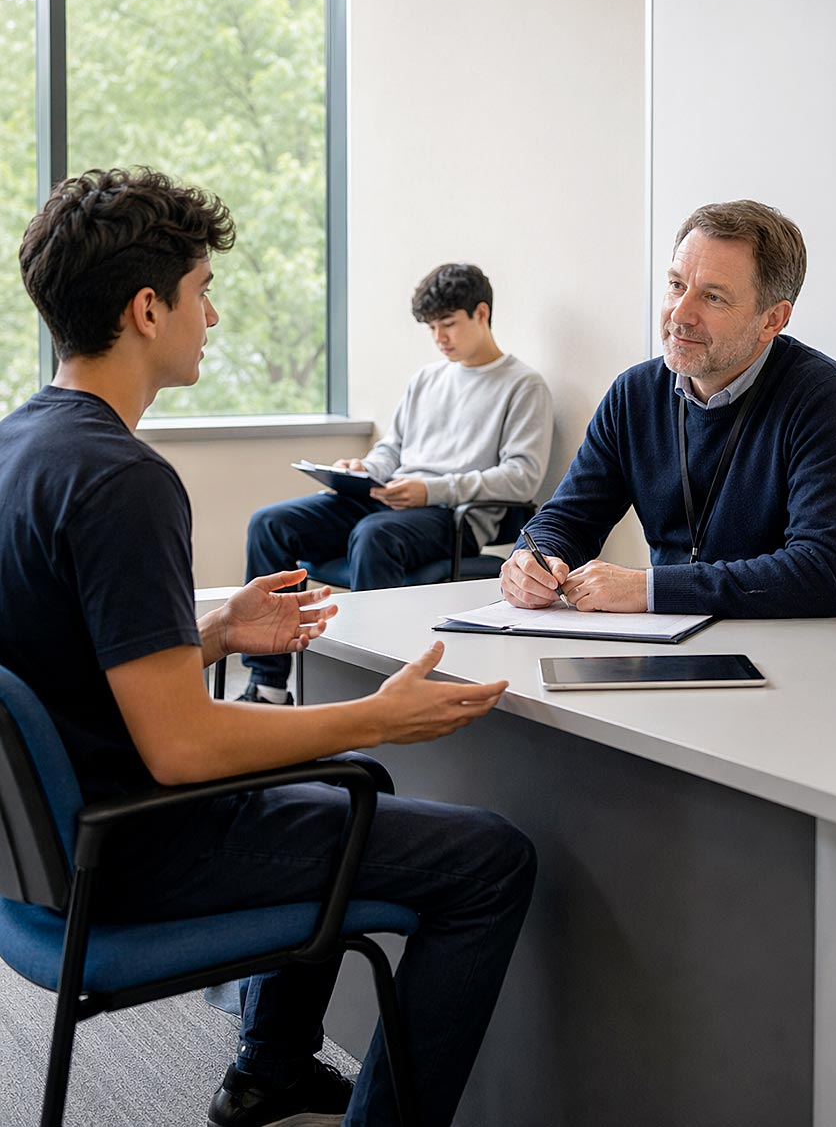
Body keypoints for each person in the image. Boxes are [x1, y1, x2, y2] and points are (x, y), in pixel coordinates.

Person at [0, 168, 536, 1127]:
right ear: (147, 309)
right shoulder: (123, 479)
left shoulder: (23, 447)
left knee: (333, 776)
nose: (214, 316)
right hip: (133, 849)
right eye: (204, 292)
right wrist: (383, 716)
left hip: (45, 848)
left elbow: (60, 665)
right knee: (489, 858)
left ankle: (272, 1066)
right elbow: (184, 750)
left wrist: (207, 633)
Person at [501, 199, 836, 620]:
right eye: (677, 285)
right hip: (674, 639)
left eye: (713, 297)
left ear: (772, 320)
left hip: (811, 654)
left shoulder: (824, 396)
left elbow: (822, 573)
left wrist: (650, 588)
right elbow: (569, 519)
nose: (679, 315)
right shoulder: (635, 393)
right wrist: (533, 561)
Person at [242, 261, 553, 703]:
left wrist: (431, 490)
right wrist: (365, 468)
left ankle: (377, 695)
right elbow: (394, 448)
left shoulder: (523, 386)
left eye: (448, 324)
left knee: (374, 535)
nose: (439, 338)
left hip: (448, 516)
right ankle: (269, 686)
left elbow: (522, 478)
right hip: (389, 498)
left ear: (481, 314)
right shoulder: (426, 379)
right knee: (270, 523)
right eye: (431, 328)